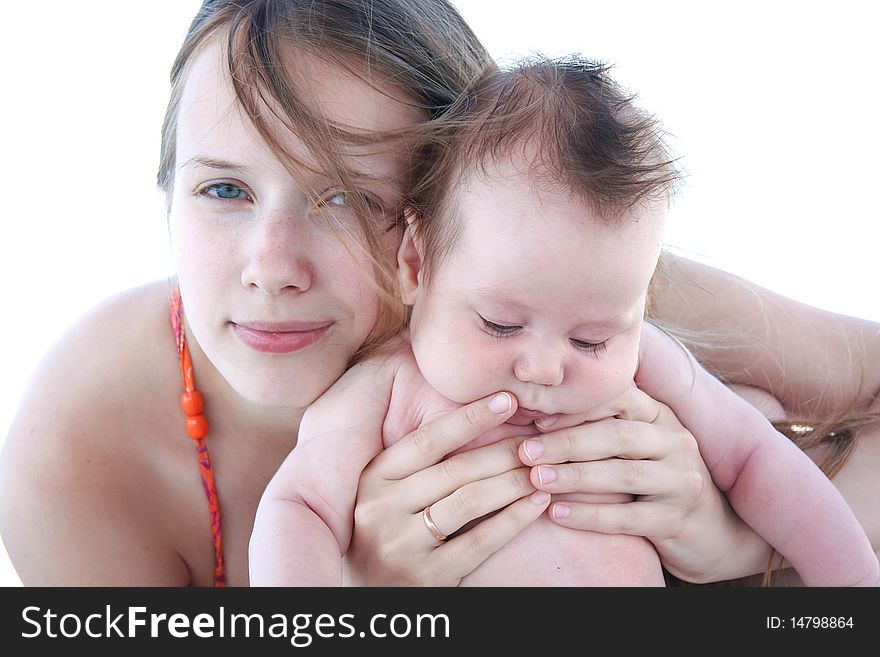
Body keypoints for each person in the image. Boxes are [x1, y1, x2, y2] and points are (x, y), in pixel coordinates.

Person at [0, 0, 877, 587]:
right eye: (221, 190)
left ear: (436, 228)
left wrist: (733, 539)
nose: (271, 266)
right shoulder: (74, 451)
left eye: (348, 196)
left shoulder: (568, 293)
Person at [249, 58, 879, 586]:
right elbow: (298, 506)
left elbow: (757, 458)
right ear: (417, 262)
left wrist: (849, 584)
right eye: (499, 324)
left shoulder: (649, 363)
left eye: (592, 338)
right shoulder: (383, 388)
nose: (546, 367)